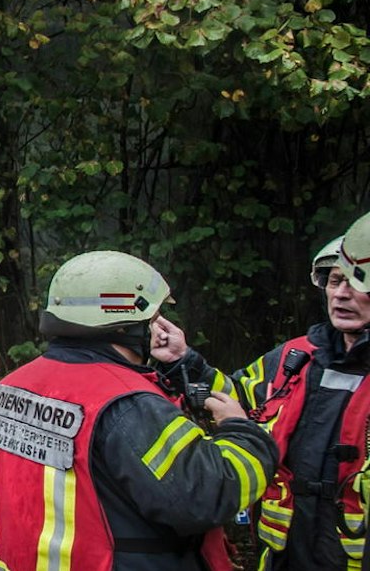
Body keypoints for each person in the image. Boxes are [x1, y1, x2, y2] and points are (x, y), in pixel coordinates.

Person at [0, 250, 277, 571]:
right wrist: (240, 431)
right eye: (153, 318)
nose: (159, 327)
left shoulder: (9, 388)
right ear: (123, 324)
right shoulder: (129, 404)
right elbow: (207, 497)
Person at [158, 222, 370, 570]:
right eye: (335, 281)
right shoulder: (295, 357)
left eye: (356, 283)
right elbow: (240, 396)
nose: (341, 294)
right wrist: (185, 361)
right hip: (284, 551)